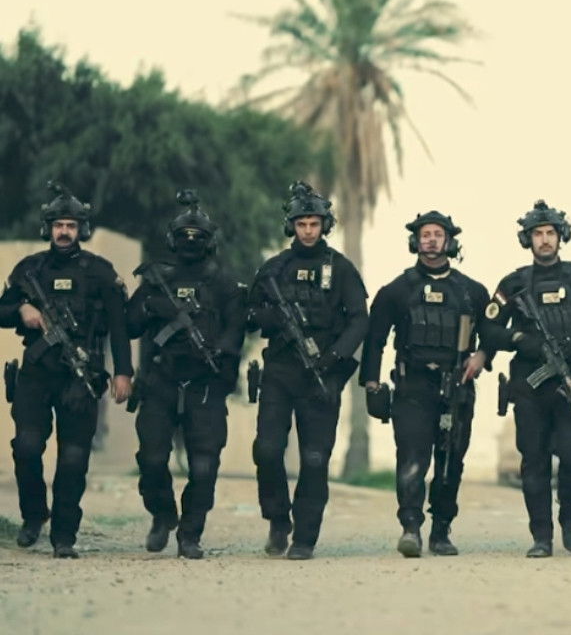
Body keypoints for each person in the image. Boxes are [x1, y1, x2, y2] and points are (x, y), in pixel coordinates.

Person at [0, 183, 134, 558]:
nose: (64, 232)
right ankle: (33, 516)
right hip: (37, 374)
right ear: (48, 228)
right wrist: (21, 310)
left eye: (71, 226)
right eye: (58, 225)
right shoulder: (30, 270)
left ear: (81, 230)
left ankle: (64, 536)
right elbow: (1, 310)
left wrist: (123, 373)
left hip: (81, 376)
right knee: (26, 447)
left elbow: (119, 327)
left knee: (73, 459)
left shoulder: (100, 273)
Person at [361, 210, 493, 557]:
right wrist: (371, 384)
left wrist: (482, 356)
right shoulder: (397, 290)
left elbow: (492, 333)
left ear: (449, 241)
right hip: (412, 388)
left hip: (457, 387)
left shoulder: (472, 292)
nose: (431, 240)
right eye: (425, 235)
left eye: (437, 234)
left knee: (451, 461)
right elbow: (374, 340)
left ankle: (441, 530)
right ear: (415, 241)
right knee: (412, 458)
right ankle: (411, 527)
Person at [248, 182, 367, 560]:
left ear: (325, 225)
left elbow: (359, 319)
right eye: (301, 224)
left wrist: (334, 358)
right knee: (267, 450)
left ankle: (305, 537)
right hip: (280, 372)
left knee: (315, 459)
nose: (308, 231)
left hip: (322, 374)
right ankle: (277, 518)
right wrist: (271, 318)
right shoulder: (274, 269)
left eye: (314, 224)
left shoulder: (341, 269)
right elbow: (249, 314)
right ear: (292, 226)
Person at [126, 190, 246, 559]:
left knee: (204, 465)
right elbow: (130, 324)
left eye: (198, 237)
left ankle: (190, 534)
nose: (190, 242)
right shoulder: (156, 280)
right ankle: (162, 514)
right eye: (184, 236)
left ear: (210, 241)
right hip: (160, 380)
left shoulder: (224, 283)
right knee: (151, 458)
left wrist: (221, 356)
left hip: (204, 383)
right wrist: (153, 307)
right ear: (172, 239)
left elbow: (237, 329)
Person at [484, 201, 571, 558]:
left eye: (550, 233)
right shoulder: (514, 284)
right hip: (530, 388)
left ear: (561, 237)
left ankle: (568, 512)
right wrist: (518, 339)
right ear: (527, 239)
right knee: (533, 461)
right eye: (538, 234)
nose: (545, 240)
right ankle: (541, 536)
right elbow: (488, 328)